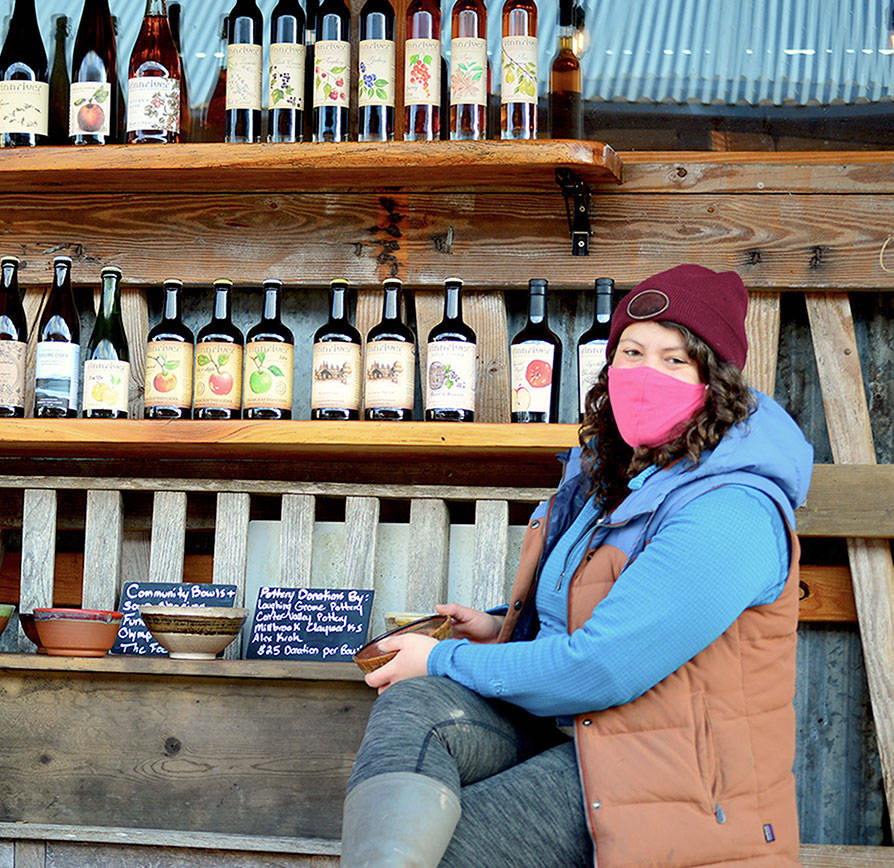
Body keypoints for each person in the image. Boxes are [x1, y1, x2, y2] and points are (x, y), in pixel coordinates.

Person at [341, 265, 812, 867]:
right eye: (632, 353)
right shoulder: (613, 478)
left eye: (675, 360)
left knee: (455, 850)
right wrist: (498, 630)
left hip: (664, 767)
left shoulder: (731, 510)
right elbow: (583, 613)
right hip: (574, 726)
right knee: (415, 707)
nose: (646, 375)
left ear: (715, 380)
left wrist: (442, 657)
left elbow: (606, 665)